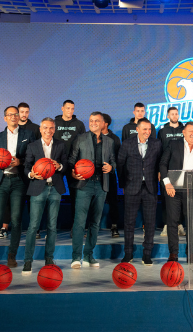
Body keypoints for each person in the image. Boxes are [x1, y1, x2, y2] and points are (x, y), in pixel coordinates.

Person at [0, 106, 36, 269]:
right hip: (1, 180)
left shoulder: (28, 135)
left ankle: (12, 255)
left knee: (16, 220)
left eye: (16, 114)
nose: (13, 116)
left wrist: (20, 162)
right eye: (10, 115)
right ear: (5, 118)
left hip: (18, 181)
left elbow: (33, 158)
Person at [68, 112, 116, 269]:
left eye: (96, 121)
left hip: (101, 185)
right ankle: (76, 257)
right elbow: (71, 160)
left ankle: (89, 256)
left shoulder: (109, 141)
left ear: (103, 124)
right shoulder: (80, 139)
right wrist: (73, 173)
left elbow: (113, 161)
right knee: (79, 222)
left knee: (95, 223)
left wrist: (111, 167)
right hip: (84, 185)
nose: (93, 123)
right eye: (91, 120)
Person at [21, 117, 68, 275]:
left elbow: (66, 165)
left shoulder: (61, 145)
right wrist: (31, 174)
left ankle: (49, 258)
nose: (48, 131)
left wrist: (59, 166)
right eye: (45, 128)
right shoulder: (32, 146)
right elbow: (26, 166)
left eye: (51, 128)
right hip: (38, 188)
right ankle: (28, 261)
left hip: (55, 188)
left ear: (55, 129)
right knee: (33, 226)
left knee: (52, 227)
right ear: (40, 129)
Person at [160, 122, 193, 262]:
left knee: (192, 223)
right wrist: (167, 183)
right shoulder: (173, 144)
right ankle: (173, 254)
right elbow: (163, 164)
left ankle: (191, 254)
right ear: (183, 132)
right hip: (173, 190)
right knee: (172, 222)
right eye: (190, 131)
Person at [116, 118, 162, 266]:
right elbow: (120, 165)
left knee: (150, 223)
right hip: (131, 187)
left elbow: (160, 163)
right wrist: (123, 185)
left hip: (150, 188)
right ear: (137, 129)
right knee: (129, 223)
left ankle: (147, 254)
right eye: (144, 129)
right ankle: (128, 253)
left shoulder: (157, 143)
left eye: (149, 129)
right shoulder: (127, 143)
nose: (147, 132)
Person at [54, 100, 86, 229]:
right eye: (68, 108)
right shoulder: (55, 123)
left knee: (75, 196)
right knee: (54, 195)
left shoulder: (79, 124)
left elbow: (84, 143)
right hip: (57, 164)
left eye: (72, 108)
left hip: (74, 164)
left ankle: (76, 227)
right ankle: (52, 227)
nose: (70, 111)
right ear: (62, 108)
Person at [157, 107, 184, 237]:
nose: (174, 116)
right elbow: (158, 150)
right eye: (172, 114)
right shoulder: (162, 131)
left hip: (182, 168)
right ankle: (167, 225)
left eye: (176, 114)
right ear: (168, 116)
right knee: (166, 198)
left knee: (181, 198)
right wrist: (159, 170)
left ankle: (179, 225)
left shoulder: (183, 129)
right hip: (166, 169)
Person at [101, 113, 122, 238]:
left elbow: (119, 158)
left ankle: (114, 226)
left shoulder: (114, 138)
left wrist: (112, 167)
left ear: (106, 124)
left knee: (113, 201)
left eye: (99, 121)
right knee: (93, 202)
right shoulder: (91, 137)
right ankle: (92, 227)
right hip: (95, 176)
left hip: (110, 175)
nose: (96, 123)